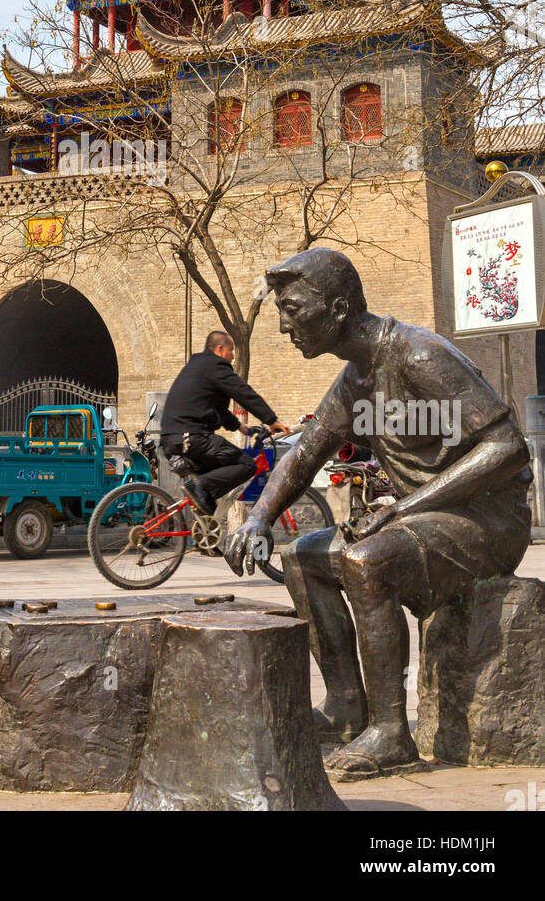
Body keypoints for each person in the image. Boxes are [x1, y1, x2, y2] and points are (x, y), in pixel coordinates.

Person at [226, 248, 532, 781]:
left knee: (366, 561)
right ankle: (347, 709)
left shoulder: (419, 355)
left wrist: (403, 508)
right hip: (427, 523)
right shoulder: (354, 380)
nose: (282, 325)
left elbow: (506, 447)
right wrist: (258, 518)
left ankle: (392, 733)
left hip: (489, 521)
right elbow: (303, 455)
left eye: (294, 310)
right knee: (303, 557)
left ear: (339, 308)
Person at [160, 329, 289, 514]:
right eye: (231, 351)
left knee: (207, 501)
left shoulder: (198, 366)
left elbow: (214, 407)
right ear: (220, 349)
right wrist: (271, 419)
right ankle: (198, 486)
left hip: (174, 439)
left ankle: (206, 539)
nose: (233, 357)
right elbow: (243, 392)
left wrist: (240, 427)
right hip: (193, 438)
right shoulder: (215, 365)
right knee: (246, 465)